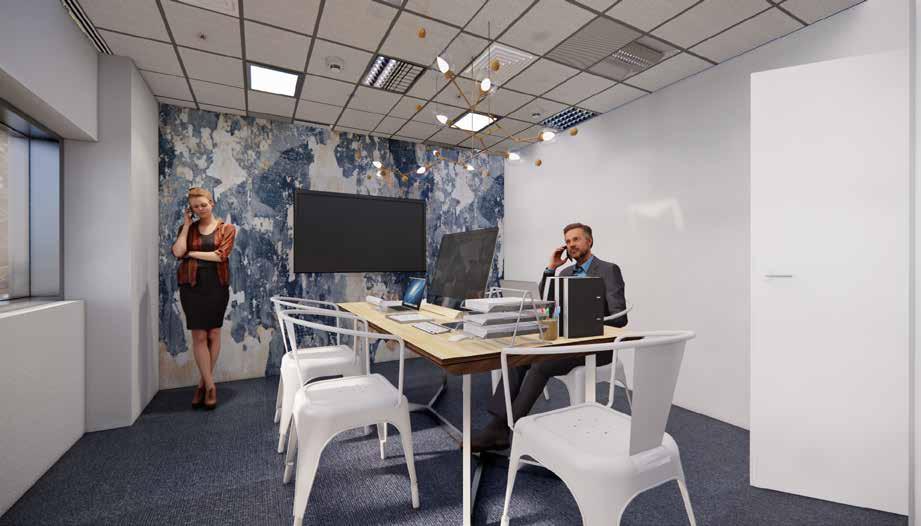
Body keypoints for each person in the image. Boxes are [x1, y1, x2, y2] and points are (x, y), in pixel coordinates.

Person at [472, 222, 627, 451]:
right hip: (565, 341)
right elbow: (544, 304)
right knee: (517, 356)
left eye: (576, 239)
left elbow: (620, 317)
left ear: (589, 241)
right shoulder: (564, 273)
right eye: (567, 241)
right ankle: (497, 424)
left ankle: (506, 428)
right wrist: (550, 269)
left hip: (597, 347)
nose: (571, 245)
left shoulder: (608, 270)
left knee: (541, 363)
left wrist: (587, 322)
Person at [171, 187, 237, 410]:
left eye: (203, 204)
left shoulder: (226, 229)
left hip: (217, 286)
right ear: (191, 209)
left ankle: (202, 385)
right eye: (195, 206)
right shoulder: (187, 229)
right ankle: (210, 386)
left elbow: (220, 256)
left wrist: (191, 253)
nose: (200, 209)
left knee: (214, 333)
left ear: (212, 204)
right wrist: (186, 226)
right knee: (199, 335)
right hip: (192, 287)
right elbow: (177, 252)